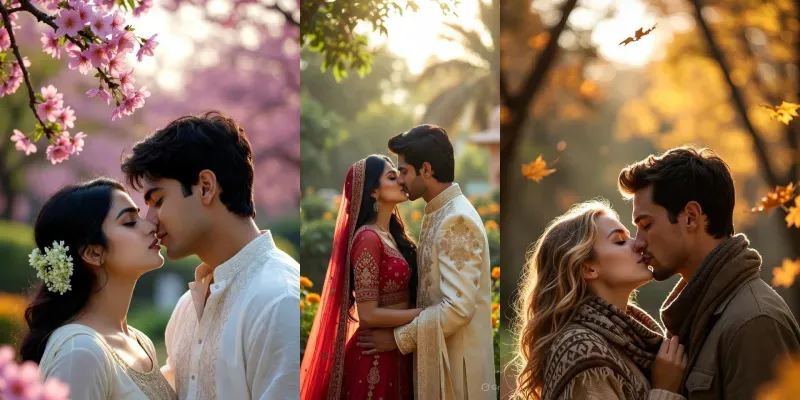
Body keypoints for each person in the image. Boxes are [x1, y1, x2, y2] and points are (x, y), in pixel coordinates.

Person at [120, 111, 300, 399]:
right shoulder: (186, 308)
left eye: (159, 201)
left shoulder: (279, 299)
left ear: (205, 187)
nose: (150, 220)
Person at [618, 147, 800, 399]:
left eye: (646, 225)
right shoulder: (700, 317)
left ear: (691, 218)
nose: (638, 242)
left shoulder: (755, 322)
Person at [357, 125, 496, 400]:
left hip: (458, 372)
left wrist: (396, 339)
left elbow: (457, 309)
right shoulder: (439, 212)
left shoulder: (456, 219)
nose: (401, 181)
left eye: (405, 172)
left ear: (427, 170)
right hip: (439, 359)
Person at [512, 200, 686, 400]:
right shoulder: (581, 352)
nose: (638, 244)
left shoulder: (630, 341)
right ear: (588, 268)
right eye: (620, 241)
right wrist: (665, 391)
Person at [20, 177, 176, 400]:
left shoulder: (140, 341)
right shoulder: (80, 352)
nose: (152, 225)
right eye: (129, 222)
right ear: (93, 252)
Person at [301, 155, 420, 399]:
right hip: (374, 359)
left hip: (396, 348)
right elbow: (367, 315)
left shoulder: (392, 236)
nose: (401, 180)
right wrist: (424, 315)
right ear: (373, 192)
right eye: (391, 177)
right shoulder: (368, 238)